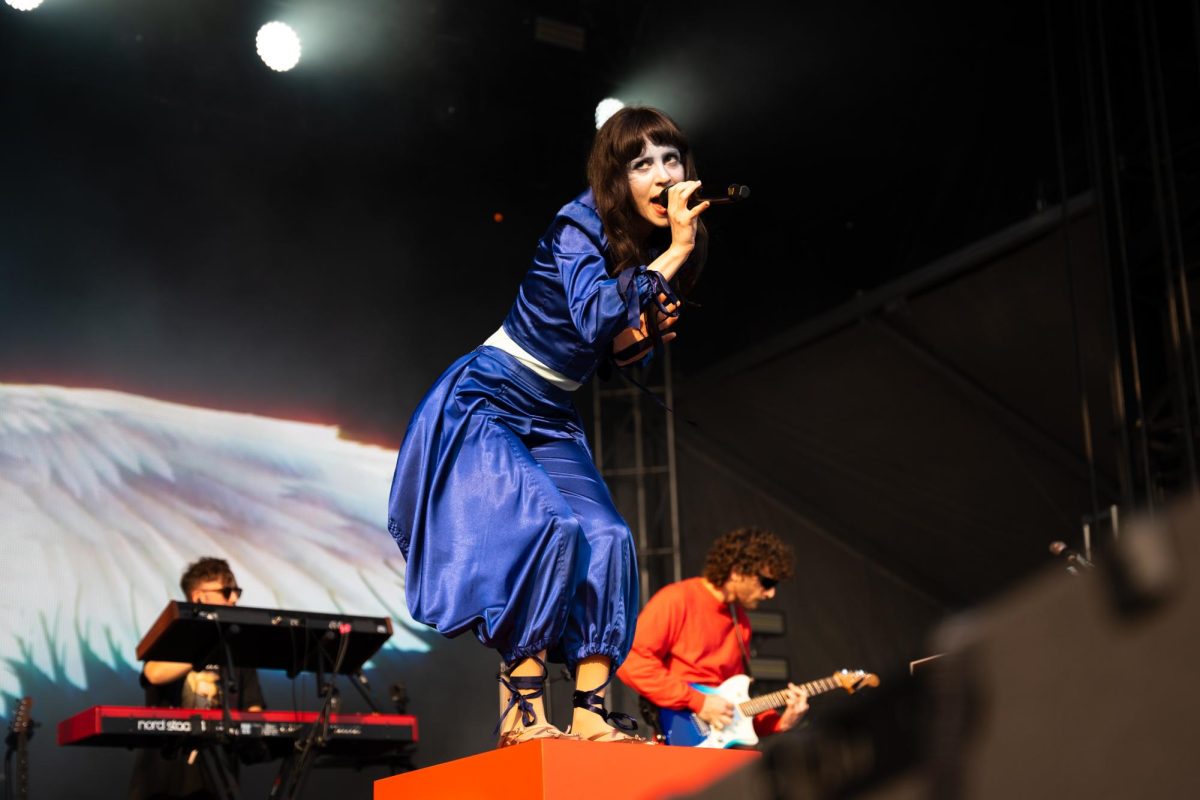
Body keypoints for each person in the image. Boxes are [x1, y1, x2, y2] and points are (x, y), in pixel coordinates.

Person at [386, 106, 709, 746]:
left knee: (609, 536)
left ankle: (589, 708)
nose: (662, 175)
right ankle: (523, 708)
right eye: (642, 163)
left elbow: (611, 350)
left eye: (670, 159)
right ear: (615, 176)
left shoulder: (637, 244)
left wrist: (644, 334)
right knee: (548, 526)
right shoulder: (578, 224)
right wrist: (674, 253)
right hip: (489, 397)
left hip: (551, 412)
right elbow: (593, 318)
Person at [616, 527, 809, 742]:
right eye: (767, 582)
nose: (771, 593)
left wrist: (780, 722)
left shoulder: (740, 621)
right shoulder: (677, 599)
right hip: (681, 737)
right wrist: (698, 701)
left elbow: (736, 700)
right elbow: (631, 660)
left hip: (721, 741)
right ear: (736, 572)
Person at [129, 557, 265, 800]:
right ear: (199, 597)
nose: (234, 599)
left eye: (236, 592)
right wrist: (206, 650)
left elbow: (252, 706)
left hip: (218, 779)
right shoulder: (173, 635)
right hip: (165, 779)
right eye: (227, 591)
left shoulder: (238, 648)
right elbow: (154, 673)